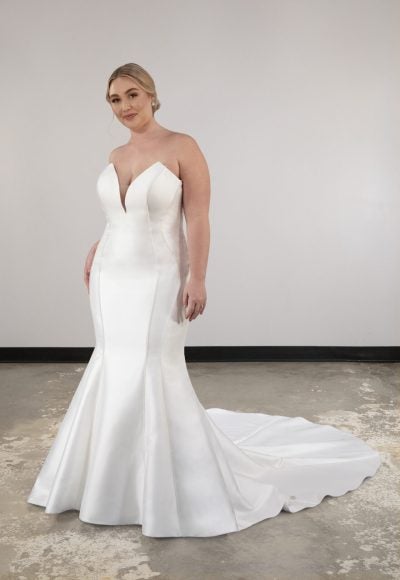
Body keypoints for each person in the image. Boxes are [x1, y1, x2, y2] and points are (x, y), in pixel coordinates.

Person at [27, 63, 381, 538]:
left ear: (151, 95)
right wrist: (97, 246)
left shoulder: (183, 146)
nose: (124, 106)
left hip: (160, 275)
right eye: (114, 99)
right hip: (111, 275)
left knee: (153, 366)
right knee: (113, 362)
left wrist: (198, 276)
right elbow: (119, 217)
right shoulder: (116, 153)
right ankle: (111, 482)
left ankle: (166, 484)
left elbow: (198, 216)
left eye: (132, 95)